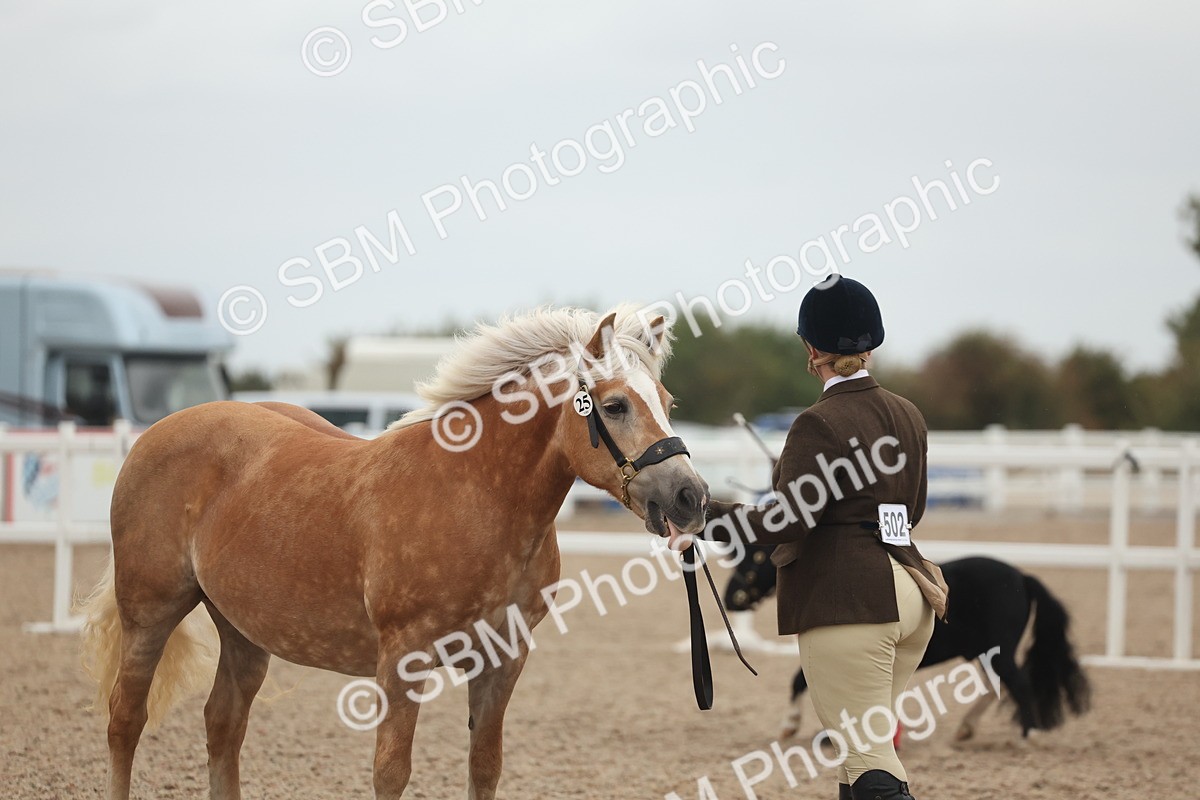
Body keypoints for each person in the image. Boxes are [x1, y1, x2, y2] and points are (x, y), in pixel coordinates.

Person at [701, 274, 949, 800]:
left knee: (868, 758)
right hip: (912, 594)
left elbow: (789, 522)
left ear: (812, 349)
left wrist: (709, 517)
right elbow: (912, 509)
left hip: (849, 603)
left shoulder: (817, 422)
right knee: (857, 759)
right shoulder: (909, 414)